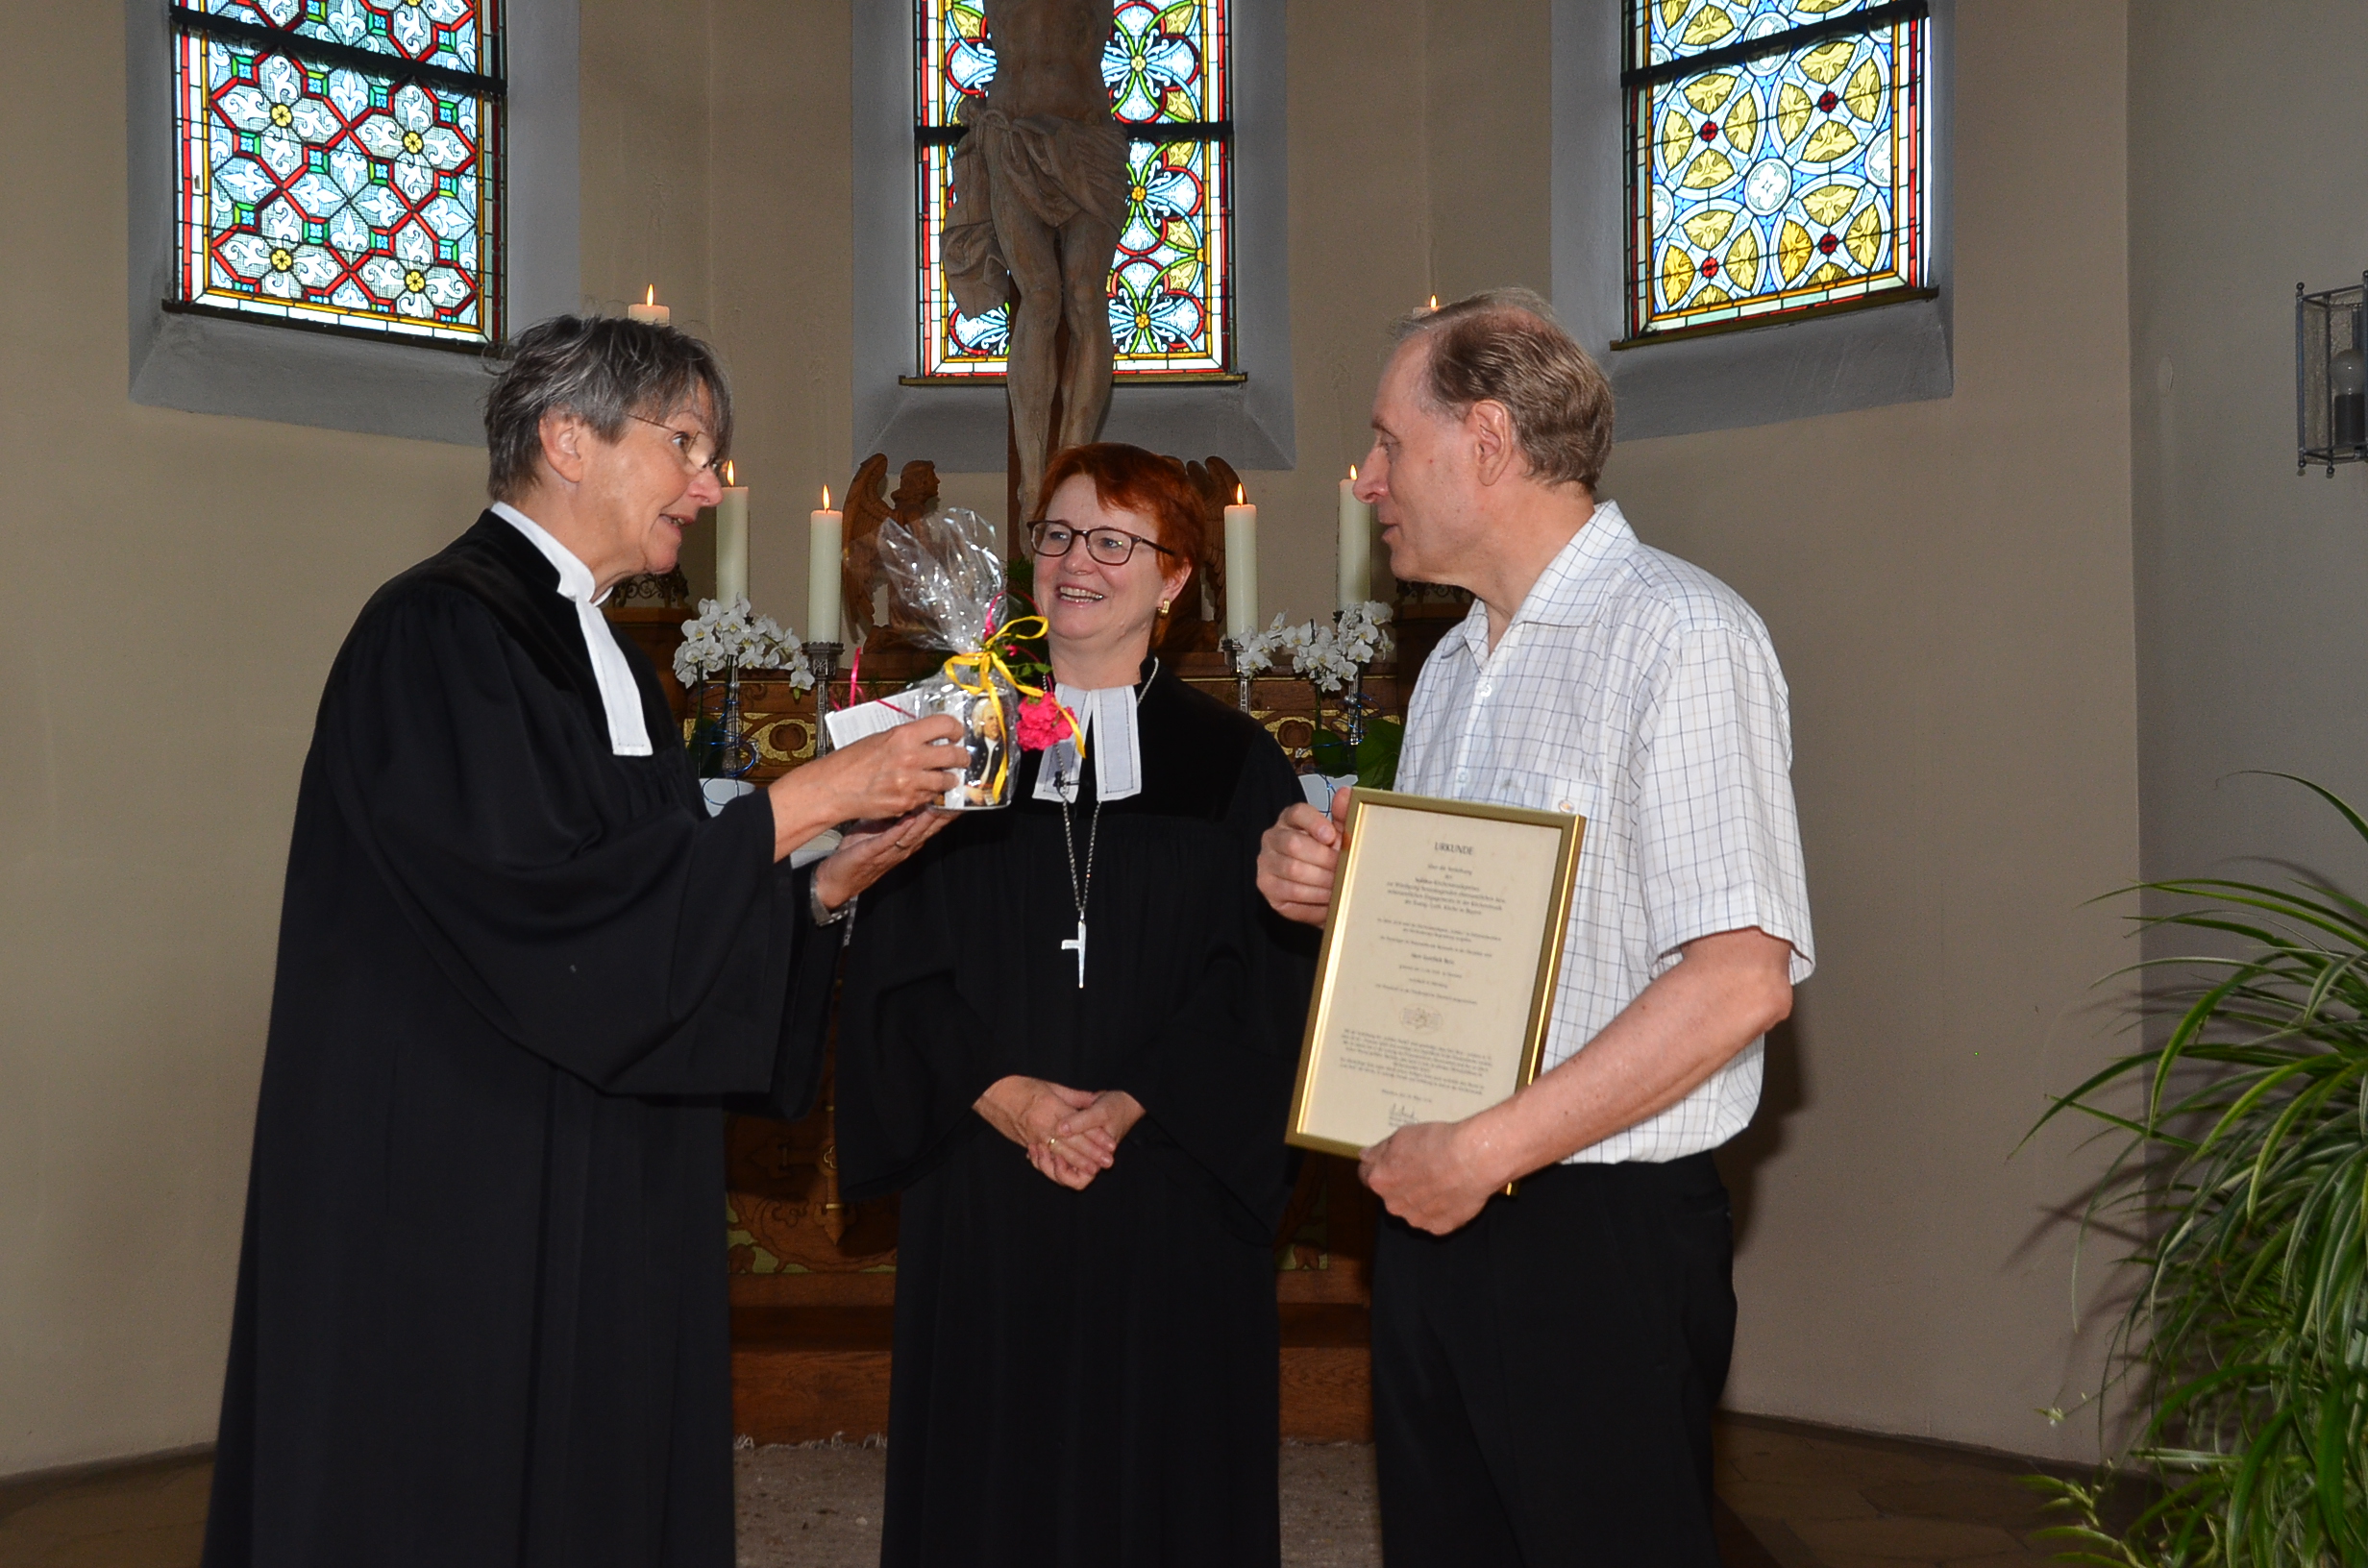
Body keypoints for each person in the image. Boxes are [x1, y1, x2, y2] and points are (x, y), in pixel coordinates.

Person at [201, 316, 968, 1567]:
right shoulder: (442, 633)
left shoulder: (602, 651)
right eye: (686, 445)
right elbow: (540, 909)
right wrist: (807, 800)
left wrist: (818, 888)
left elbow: (641, 909)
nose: (709, 486)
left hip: (599, 1163)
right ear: (568, 440)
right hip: (459, 1176)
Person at [1258, 291, 1813, 1566]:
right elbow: (1481, 934)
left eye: (1389, 442)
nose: (1367, 478)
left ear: (1488, 439)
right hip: (1437, 1202)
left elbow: (1739, 982)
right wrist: (1337, 884)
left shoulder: (1680, 635)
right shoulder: (1455, 667)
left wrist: (1486, 1149)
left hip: (1593, 1233)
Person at [834, 443, 1318, 1568]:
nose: (1076, 562)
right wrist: (1001, 1094)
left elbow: (1264, 975)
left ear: (1175, 577)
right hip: (983, 1162)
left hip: (1170, 1166)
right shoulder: (954, 744)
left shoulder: (1235, 764)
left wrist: (1134, 1101)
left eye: (1113, 540)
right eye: (1056, 535)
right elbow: (897, 946)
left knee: (1165, 1457)